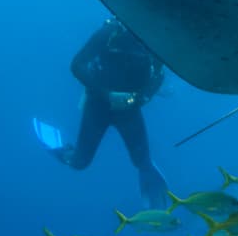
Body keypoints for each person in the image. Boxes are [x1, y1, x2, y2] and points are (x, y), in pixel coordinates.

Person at [44, 18, 168, 209]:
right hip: (98, 106)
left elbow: (159, 74)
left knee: (142, 162)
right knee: (80, 163)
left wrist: (141, 98)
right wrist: (107, 95)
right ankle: (60, 148)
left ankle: (152, 194)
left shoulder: (152, 37)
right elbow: (77, 65)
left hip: (129, 108)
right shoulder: (110, 32)